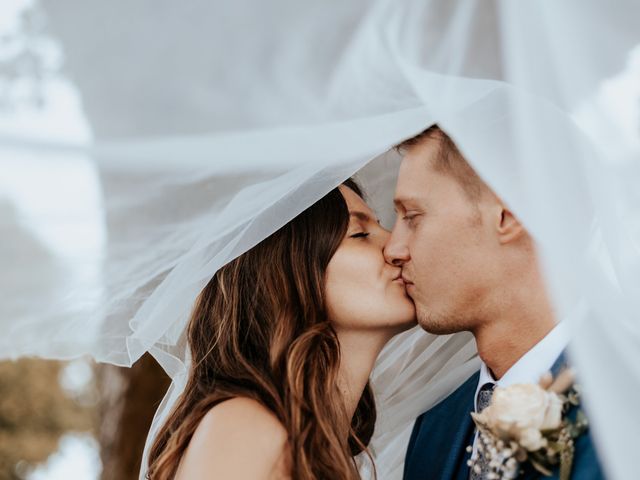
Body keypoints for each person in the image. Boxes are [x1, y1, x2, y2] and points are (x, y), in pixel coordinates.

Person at [146, 179, 416, 480]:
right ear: (287, 276)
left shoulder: (325, 453)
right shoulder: (244, 430)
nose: (396, 245)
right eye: (360, 234)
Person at [386, 126, 604, 480]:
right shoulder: (438, 418)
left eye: (412, 216)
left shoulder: (622, 403)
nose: (393, 249)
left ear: (508, 215)